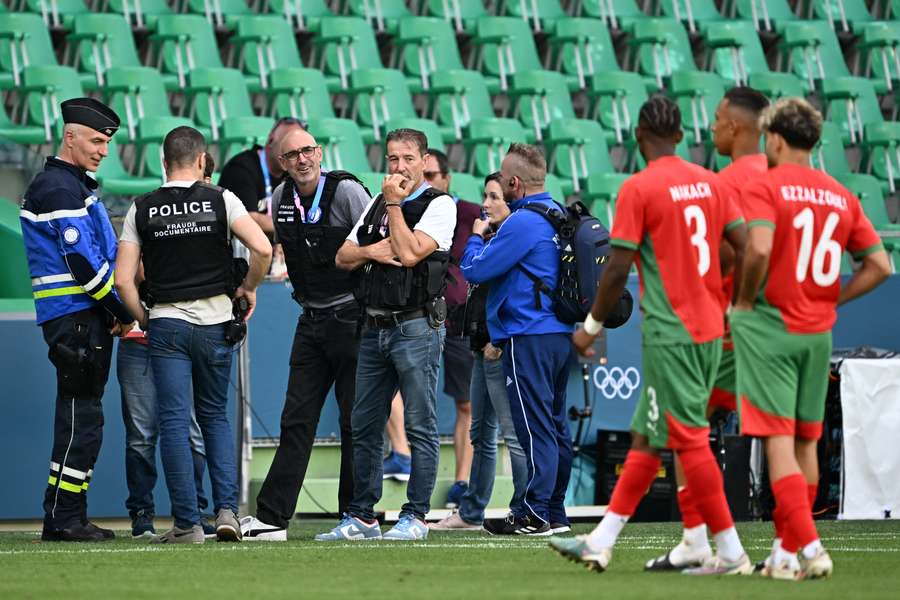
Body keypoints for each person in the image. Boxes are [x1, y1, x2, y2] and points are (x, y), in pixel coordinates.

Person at [551, 96, 753, 575]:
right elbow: (745, 249)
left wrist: (590, 327)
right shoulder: (710, 182)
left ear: (639, 137)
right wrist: (734, 306)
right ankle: (604, 541)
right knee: (647, 435)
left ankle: (730, 553)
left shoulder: (639, 188)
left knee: (690, 440)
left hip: (672, 332)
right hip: (710, 328)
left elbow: (617, 268)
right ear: (682, 136)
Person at [732, 97, 890, 580]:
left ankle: (812, 547)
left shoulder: (766, 185)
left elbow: (757, 246)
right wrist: (834, 300)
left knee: (778, 439)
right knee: (806, 444)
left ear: (775, 139)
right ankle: (783, 555)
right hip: (818, 330)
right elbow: (881, 264)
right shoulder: (841, 193)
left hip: (774, 326)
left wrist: (743, 301)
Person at [116, 126, 272, 544]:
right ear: (202, 161)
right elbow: (263, 249)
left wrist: (144, 318)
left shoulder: (142, 207)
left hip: (166, 322)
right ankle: (225, 511)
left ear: (163, 163)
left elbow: (123, 281)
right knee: (215, 418)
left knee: (171, 422)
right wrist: (249, 288)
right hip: (216, 320)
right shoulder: (222, 198)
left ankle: (187, 524)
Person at [646, 86, 770, 571]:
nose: (712, 127)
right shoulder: (781, 174)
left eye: (717, 118)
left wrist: (735, 301)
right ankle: (788, 548)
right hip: (786, 323)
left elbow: (741, 249)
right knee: (789, 435)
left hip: (727, 327)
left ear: (736, 126)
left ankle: (707, 542)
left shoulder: (727, 180)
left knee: (686, 430)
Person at [316, 128, 456, 542]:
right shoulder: (376, 202)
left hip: (416, 325)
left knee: (420, 425)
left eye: (407, 159)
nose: (399, 167)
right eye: (393, 159)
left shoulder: (439, 204)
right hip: (375, 325)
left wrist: (394, 205)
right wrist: (373, 251)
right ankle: (362, 516)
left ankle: (416, 516)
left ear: (423, 160)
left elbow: (412, 252)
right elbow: (343, 256)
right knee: (363, 424)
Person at [239, 127, 371, 541]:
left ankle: (356, 515)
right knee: (296, 419)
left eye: (309, 150)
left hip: (352, 320)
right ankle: (273, 518)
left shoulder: (348, 192)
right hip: (311, 321)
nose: (303, 159)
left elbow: (378, 244)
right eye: (293, 153)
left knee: (354, 421)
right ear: (281, 162)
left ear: (320, 152)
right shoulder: (280, 199)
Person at [20, 97, 135, 542]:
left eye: (107, 142)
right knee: (80, 420)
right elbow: (84, 265)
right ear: (70, 136)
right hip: (77, 320)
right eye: (96, 140)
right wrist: (123, 313)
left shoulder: (72, 186)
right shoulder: (59, 188)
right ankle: (65, 518)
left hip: (79, 318)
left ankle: (65, 514)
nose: (104, 149)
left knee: (81, 418)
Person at [459, 144, 573, 536]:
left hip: (528, 335)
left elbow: (476, 270)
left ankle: (534, 511)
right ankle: (554, 510)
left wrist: (476, 238)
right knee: (555, 426)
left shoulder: (522, 222)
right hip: (559, 333)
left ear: (513, 183)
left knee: (533, 426)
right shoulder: (557, 212)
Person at [430, 173, 529, 531]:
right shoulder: (496, 235)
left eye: (493, 197)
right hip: (479, 344)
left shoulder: (512, 238)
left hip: (498, 346)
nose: (485, 205)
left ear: (510, 201)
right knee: (481, 433)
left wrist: (497, 339)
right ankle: (472, 510)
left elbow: (478, 273)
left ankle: (526, 508)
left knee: (512, 432)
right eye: (485, 196)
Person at [382, 148, 481, 506]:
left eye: (437, 177)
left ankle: (462, 481)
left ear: (446, 178)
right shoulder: (401, 208)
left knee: (465, 404)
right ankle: (401, 452)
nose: (431, 183)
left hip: (456, 317)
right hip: (414, 313)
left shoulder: (468, 211)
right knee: (389, 383)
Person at [118, 264, 215, 539]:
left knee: (191, 431)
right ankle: (141, 515)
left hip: (180, 340)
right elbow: (127, 276)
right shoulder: (131, 224)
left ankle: (192, 512)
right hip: (139, 341)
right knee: (141, 435)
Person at [217, 117, 306, 234]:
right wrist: (296, 228)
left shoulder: (293, 171)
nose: (290, 154)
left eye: (297, 150)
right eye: (285, 145)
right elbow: (248, 219)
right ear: (270, 140)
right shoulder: (241, 168)